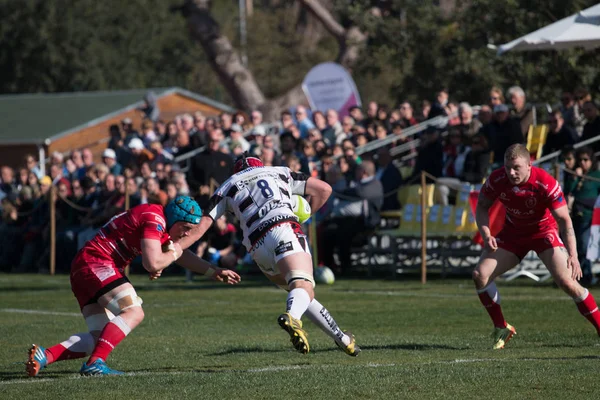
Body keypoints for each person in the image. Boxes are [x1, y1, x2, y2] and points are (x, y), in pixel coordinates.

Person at [26, 196, 241, 377]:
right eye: (185, 228)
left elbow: (178, 255)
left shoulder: (160, 222)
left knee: (99, 337)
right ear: (174, 219)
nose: (186, 234)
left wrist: (213, 271)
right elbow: (154, 263)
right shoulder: (155, 218)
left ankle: (46, 355)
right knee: (134, 312)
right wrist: (165, 257)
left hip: (86, 266)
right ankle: (95, 364)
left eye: (190, 230)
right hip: (97, 263)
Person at [175, 153, 361, 356]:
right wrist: (305, 215)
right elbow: (325, 189)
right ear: (259, 164)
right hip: (283, 227)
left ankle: (343, 339)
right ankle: (292, 317)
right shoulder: (279, 172)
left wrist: (174, 248)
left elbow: (201, 228)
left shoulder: (227, 185)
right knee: (303, 287)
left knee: (299, 293)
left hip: (256, 246)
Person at [473, 144, 600, 350]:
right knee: (480, 274)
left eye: (516, 167)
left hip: (544, 234)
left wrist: (574, 255)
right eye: (507, 168)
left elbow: (565, 221)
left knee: (568, 283)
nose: (511, 173)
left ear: (529, 165)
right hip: (513, 234)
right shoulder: (497, 179)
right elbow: (482, 207)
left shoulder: (545, 182)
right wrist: (487, 234)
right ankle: (501, 327)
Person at [564, 147, 600, 286]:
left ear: (591, 161)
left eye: (586, 160)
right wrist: (574, 177)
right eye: (580, 160)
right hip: (576, 215)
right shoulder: (575, 174)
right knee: (577, 247)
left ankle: (587, 276)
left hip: (591, 216)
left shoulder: (596, 176)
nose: (583, 163)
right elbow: (568, 191)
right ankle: (580, 276)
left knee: (585, 247)